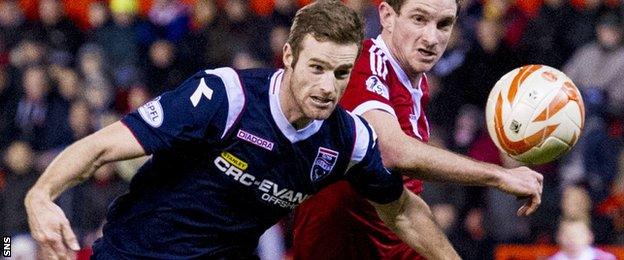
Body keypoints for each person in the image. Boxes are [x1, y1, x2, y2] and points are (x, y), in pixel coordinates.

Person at [24, 1, 462, 259]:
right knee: (12, 250)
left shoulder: (348, 141)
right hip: (137, 253)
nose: (329, 86)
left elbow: (403, 211)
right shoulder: (223, 97)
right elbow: (101, 147)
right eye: (317, 68)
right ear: (288, 56)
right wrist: (40, 196)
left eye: (342, 73)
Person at [293, 0, 544, 259]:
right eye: (419, 19)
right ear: (387, 16)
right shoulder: (362, 65)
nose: (432, 38)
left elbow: (405, 200)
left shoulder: (416, 84)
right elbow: (394, 151)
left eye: (444, 24)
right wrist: (500, 175)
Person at [549, 218, 616, 260]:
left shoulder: (606, 258)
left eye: (577, 235)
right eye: (568, 235)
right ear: (558, 237)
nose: (572, 239)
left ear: (590, 236)